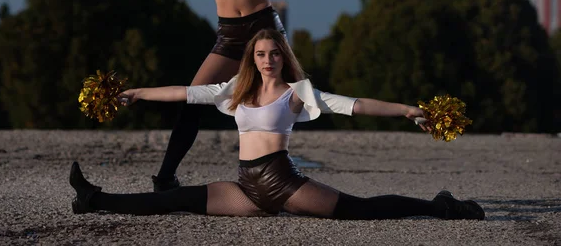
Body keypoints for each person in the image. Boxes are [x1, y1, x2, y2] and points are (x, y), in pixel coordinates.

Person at [69, 29, 485, 220]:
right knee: (175, 200)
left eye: (274, 53)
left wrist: (407, 109)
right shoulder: (235, 90)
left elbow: (353, 106)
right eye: (261, 53)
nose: (268, 59)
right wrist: (137, 93)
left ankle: (441, 207)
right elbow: (184, 92)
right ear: (252, 57)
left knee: (361, 209)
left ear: (283, 58)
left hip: (283, 181)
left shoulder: (297, 92)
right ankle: (93, 198)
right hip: (245, 187)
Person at [154, 0, 325, 191]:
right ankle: (165, 178)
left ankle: (284, 172)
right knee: (193, 100)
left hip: (263, 30)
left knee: (290, 98)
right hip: (229, 36)